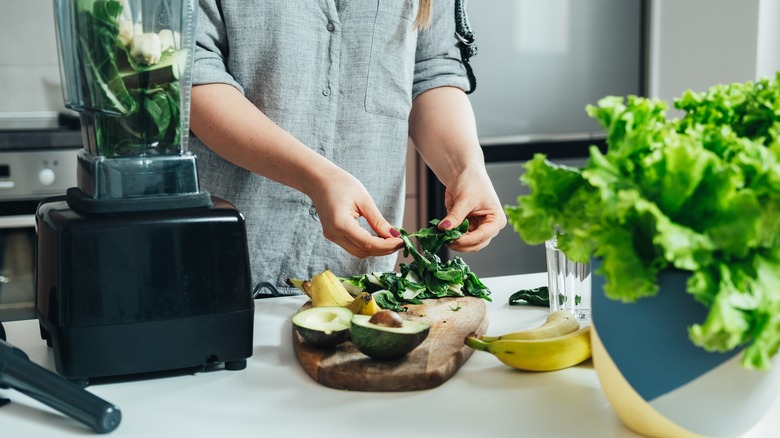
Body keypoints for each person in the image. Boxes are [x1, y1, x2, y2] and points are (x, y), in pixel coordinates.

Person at [189, 0, 506, 295]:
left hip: (356, 273)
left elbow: (431, 69)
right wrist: (317, 177)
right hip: (220, 260)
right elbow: (190, 69)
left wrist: (466, 168)